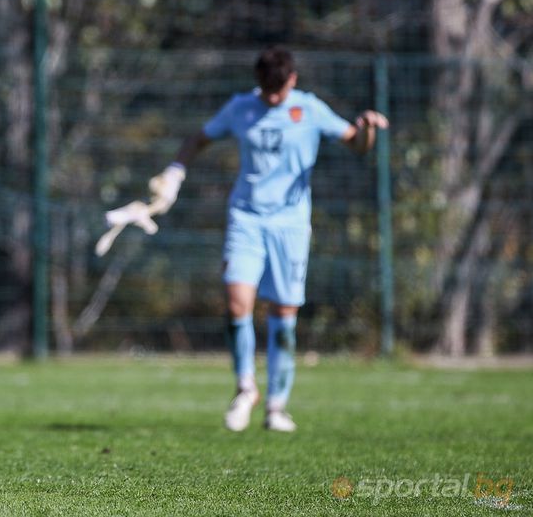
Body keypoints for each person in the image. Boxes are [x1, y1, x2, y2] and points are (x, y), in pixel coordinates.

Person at [149, 47, 388, 432]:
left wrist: (368, 128)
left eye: (278, 90)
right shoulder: (241, 108)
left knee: (282, 313)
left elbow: (357, 144)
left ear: (292, 80)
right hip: (246, 217)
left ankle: (276, 405)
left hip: (290, 225)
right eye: (266, 90)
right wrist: (175, 173)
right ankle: (246, 387)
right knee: (236, 299)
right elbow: (198, 139)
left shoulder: (309, 109)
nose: (272, 98)